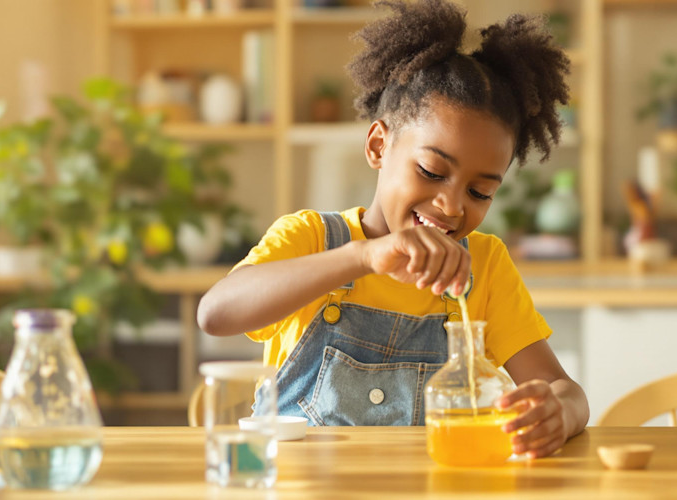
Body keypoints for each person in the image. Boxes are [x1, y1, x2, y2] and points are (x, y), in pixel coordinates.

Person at [198, 0, 588, 459]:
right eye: (431, 171)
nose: (451, 205)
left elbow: (566, 389)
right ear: (379, 145)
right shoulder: (310, 238)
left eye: (480, 193)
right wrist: (363, 256)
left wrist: (559, 412)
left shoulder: (483, 267)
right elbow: (215, 314)